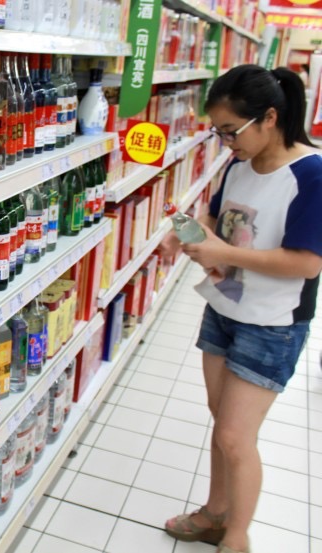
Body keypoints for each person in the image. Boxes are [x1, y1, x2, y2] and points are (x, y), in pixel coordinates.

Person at [161, 65, 322, 553]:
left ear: (269, 118)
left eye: (231, 131)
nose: (225, 143)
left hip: (272, 324)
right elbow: (216, 214)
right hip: (225, 307)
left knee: (235, 436)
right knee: (222, 422)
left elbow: (307, 263)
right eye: (219, 132)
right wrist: (186, 233)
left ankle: (237, 537)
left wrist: (224, 252)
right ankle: (215, 513)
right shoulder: (238, 165)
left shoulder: (311, 175)